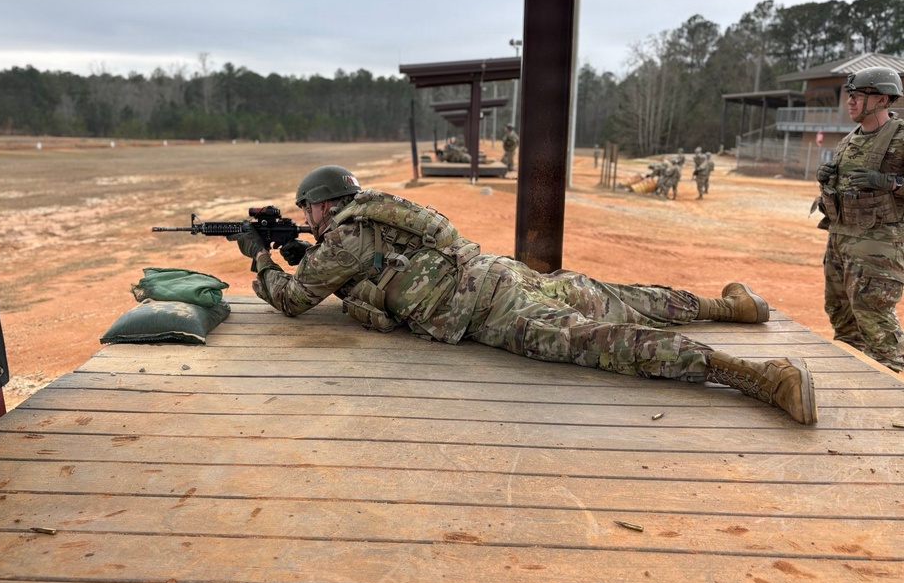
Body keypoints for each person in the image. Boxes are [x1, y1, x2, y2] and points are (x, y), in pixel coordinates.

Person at [233, 165, 818, 425]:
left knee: (601, 342)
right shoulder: (374, 218)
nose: (305, 217)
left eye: (307, 209)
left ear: (325, 204)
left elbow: (291, 301)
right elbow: (362, 269)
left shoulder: (346, 236)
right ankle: (735, 307)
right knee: (614, 296)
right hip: (497, 273)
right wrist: (299, 250)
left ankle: (760, 376)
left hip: (488, 310)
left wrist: (259, 256)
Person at [812, 65, 904, 371]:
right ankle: (855, 389)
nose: (850, 101)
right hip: (840, 241)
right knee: (842, 319)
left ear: (882, 99)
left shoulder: (900, 139)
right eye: (850, 95)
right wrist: (827, 181)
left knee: (878, 328)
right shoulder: (849, 140)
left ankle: (894, 400)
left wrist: (892, 184)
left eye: (859, 95)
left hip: (878, 247)